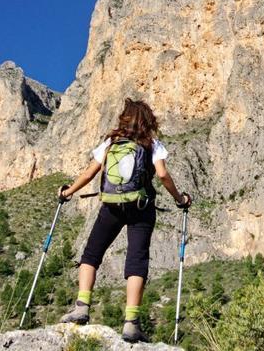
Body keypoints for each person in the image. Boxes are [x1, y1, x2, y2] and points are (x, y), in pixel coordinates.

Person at [57, 98, 192, 342]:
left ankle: (81, 307)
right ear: (148, 121)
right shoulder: (152, 144)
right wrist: (179, 198)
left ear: (125, 118)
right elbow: (161, 174)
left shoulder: (111, 143)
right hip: (141, 206)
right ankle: (131, 323)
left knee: (91, 254)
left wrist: (68, 192)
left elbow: (90, 173)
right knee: (137, 259)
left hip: (111, 205)